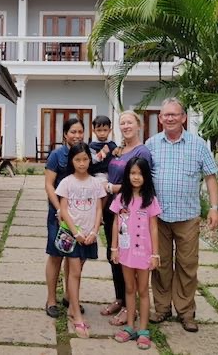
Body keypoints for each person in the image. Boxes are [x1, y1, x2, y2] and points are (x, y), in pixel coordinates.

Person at [146, 97, 218, 333]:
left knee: (187, 265)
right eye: (165, 115)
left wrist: (214, 208)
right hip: (158, 217)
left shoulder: (198, 145)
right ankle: (162, 308)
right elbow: (140, 176)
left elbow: (210, 177)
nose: (169, 118)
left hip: (187, 216)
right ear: (160, 119)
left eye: (174, 114)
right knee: (161, 264)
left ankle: (186, 312)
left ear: (183, 118)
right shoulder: (151, 144)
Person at [99, 110, 153, 326]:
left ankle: (132, 308)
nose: (126, 126)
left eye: (129, 122)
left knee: (131, 257)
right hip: (113, 208)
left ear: (138, 125)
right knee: (114, 254)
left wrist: (115, 187)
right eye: (122, 123)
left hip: (130, 212)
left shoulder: (142, 151)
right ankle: (120, 299)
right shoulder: (118, 149)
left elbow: (143, 182)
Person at [54, 142, 105, 338]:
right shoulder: (66, 182)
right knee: (74, 272)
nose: (82, 163)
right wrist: (76, 233)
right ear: (71, 161)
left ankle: (71, 307)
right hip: (72, 235)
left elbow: (99, 208)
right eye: (77, 160)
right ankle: (76, 316)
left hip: (89, 235)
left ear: (90, 160)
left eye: (85, 159)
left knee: (78, 270)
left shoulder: (95, 183)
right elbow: (64, 210)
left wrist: (94, 231)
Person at [110, 157, 161, 350]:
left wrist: (155, 254)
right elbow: (115, 223)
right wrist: (114, 248)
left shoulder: (150, 200)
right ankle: (130, 326)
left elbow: (154, 228)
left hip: (144, 253)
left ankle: (143, 330)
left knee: (143, 291)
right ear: (127, 175)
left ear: (146, 176)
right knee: (129, 289)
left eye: (140, 173)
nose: (136, 177)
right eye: (132, 173)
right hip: (125, 252)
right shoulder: (121, 198)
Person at [45, 117, 85, 318]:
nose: (77, 136)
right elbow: (49, 185)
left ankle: (71, 297)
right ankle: (51, 299)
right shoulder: (56, 155)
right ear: (65, 135)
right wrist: (58, 209)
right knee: (56, 254)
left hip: (80, 215)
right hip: (58, 215)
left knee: (76, 257)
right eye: (73, 132)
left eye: (80, 132)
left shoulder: (85, 154)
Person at [89, 115, 118, 189]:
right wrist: (102, 153)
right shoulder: (92, 146)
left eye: (105, 130)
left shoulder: (112, 144)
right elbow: (91, 160)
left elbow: (117, 157)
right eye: (99, 130)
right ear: (94, 131)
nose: (102, 133)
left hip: (112, 173)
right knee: (104, 189)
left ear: (110, 130)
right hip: (98, 174)